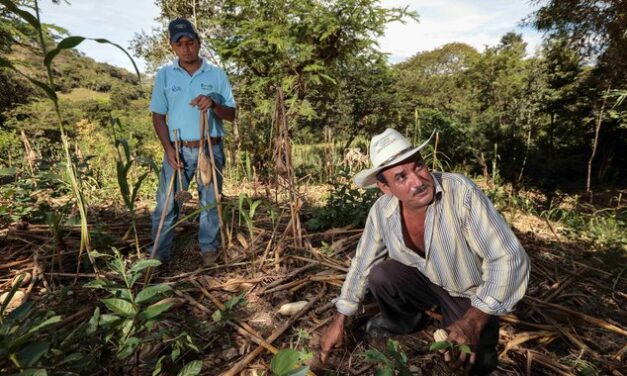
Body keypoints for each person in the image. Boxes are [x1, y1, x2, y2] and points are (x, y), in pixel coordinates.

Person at [318, 128, 530, 375]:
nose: (417, 182)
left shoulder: (460, 192)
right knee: (381, 275)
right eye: (401, 177)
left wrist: (473, 320)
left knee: (472, 362)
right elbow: (362, 262)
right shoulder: (382, 211)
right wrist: (340, 319)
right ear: (384, 187)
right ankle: (404, 322)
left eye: (418, 166)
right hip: (424, 281)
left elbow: (509, 257)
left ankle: (464, 325)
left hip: (466, 292)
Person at [149, 18, 236, 267]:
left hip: (210, 149)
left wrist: (214, 104)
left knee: (210, 202)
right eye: (180, 44)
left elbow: (231, 115)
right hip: (177, 149)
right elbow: (158, 116)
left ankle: (208, 250)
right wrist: (168, 149)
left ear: (198, 43)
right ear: (172, 46)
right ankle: (158, 257)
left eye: (190, 42)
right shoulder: (165, 75)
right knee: (167, 204)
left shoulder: (216, 74)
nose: (186, 48)